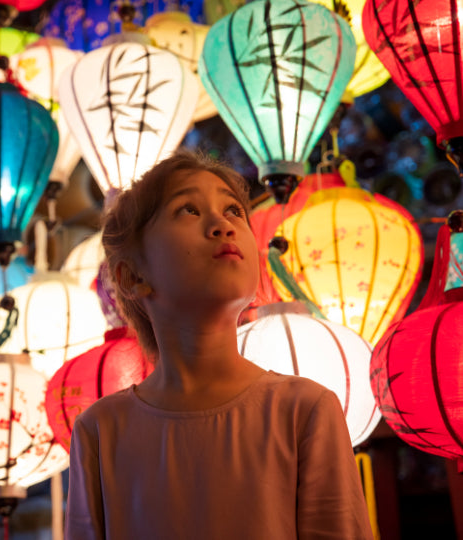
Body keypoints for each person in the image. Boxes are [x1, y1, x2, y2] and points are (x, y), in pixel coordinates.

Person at [65, 149, 373, 539]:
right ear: (130, 276)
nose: (222, 225)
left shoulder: (304, 410)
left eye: (233, 211)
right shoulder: (101, 430)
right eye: (188, 210)